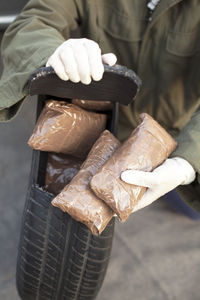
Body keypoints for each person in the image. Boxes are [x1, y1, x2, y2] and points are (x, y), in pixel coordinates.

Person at [0, 0, 199, 214]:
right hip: (95, 127)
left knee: (189, 206)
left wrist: (187, 163)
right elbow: (34, 20)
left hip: (174, 138)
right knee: (77, 209)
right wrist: (53, 51)